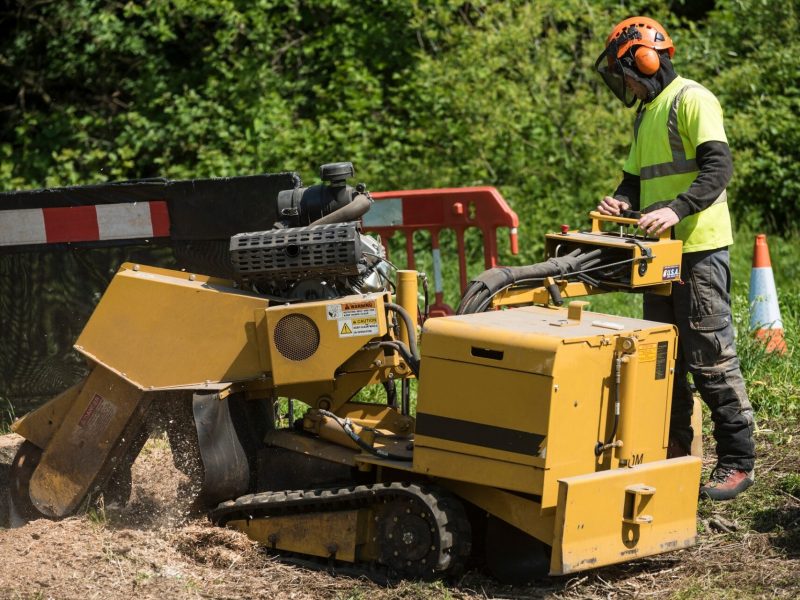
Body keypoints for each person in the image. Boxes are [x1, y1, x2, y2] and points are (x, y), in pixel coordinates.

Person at [593, 16, 755, 500]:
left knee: (709, 357)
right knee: (664, 356)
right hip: (660, 254)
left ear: (644, 58)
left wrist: (676, 208)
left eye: (626, 72)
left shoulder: (692, 98)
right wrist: (621, 201)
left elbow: (718, 167)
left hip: (698, 249)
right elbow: (634, 178)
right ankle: (675, 455)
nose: (624, 84)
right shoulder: (645, 113)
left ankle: (738, 461)